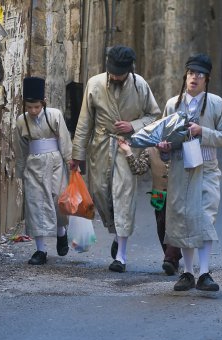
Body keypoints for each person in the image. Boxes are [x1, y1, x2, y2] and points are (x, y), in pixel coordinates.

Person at [70, 45, 160, 272]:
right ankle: (115, 231)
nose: (116, 77)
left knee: (123, 196)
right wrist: (77, 155)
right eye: (114, 72)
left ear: (129, 70)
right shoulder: (95, 84)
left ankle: (121, 254)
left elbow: (154, 116)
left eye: (121, 73)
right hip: (100, 146)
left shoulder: (140, 86)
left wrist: (133, 125)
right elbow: (84, 122)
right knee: (100, 192)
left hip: (128, 147)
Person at [157, 53, 222, 291]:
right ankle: (188, 273)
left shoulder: (216, 104)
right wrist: (165, 149)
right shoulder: (172, 104)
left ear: (206, 79)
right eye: (191, 73)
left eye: (199, 74)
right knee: (183, 219)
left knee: (204, 217)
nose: (194, 78)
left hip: (207, 168)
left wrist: (203, 131)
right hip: (181, 169)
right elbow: (162, 137)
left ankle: (205, 272)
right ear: (185, 76)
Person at [14, 76, 72, 265]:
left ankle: (61, 232)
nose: (33, 111)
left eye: (36, 107)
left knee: (58, 200)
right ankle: (40, 250)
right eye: (29, 107)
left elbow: (64, 138)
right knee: (35, 204)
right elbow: (20, 148)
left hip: (55, 162)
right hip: (34, 165)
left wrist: (70, 161)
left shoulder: (55, 115)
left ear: (43, 103)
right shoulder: (21, 121)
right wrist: (21, 171)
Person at [117, 140, 182, 275]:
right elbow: (138, 169)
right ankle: (172, 259)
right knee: (161, 226)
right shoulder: (150, 151)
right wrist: (128, 151)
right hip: (159, 195)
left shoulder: (180, 149)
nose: (163, 143)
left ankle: (170, 258)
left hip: (178, 195)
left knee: (174, 226)